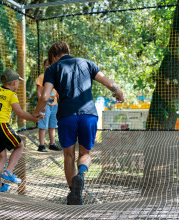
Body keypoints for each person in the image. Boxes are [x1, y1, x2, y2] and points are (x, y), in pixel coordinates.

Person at [33, 42, 125, 205]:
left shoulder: (52, 69)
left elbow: (45, 97)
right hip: (88, 115)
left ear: (53, 57)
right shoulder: (87, 63)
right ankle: (80, 175)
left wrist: (36, 113)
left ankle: (74, 195)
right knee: (85, 154)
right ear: (68, 51)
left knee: (69, 156)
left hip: (66, 116)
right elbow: (110, 84)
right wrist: (119, 94)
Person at [0, 69, 43, 192]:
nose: (18, 84)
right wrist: (34, 119)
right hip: (1, 125)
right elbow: (20, 113)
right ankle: (9, 172)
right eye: (18, 82)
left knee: (1, 156)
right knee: (19, 145)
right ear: (13, 83)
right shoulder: (11, 95)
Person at [36, 59, 61, 152]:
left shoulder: (55, 77)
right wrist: (41, 103)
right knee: (43, 124)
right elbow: (38, 92)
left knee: (53, 125)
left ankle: (52, 143)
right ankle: (41, 145)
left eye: (51, 65)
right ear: (44, 66)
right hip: (45, 104)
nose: (49, 67)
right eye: (47, 65)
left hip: (54, 105)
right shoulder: (42, 77)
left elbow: (57, 92)